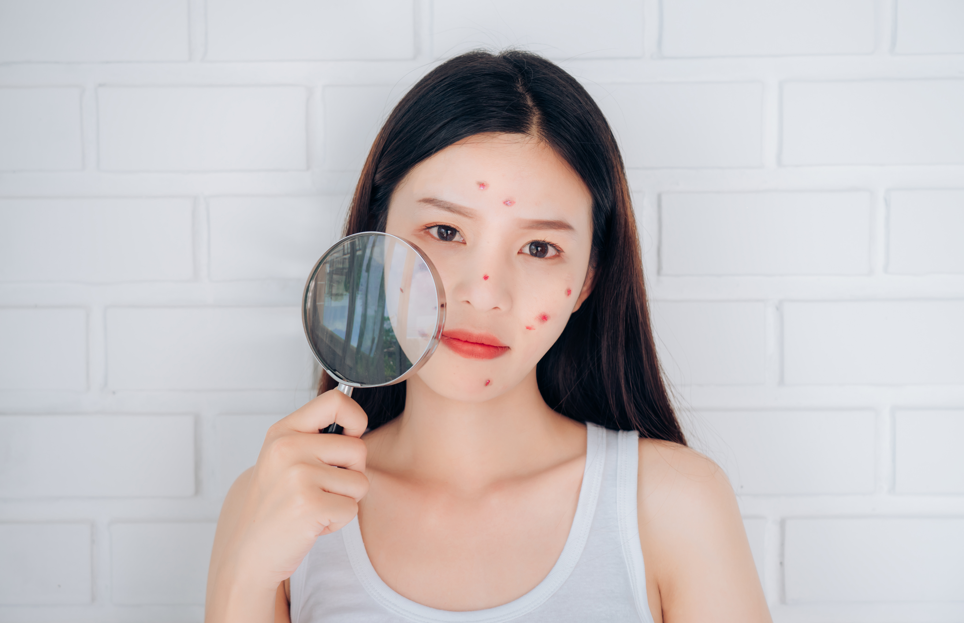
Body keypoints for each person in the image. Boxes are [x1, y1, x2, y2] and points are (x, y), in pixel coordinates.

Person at [205, 49, 771, 623]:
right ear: (374, 243)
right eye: (445, 230)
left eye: (539, 248)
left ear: (586, 281)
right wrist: (247, 574)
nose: (484, 294)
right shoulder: (277, 500)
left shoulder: (672, 505)